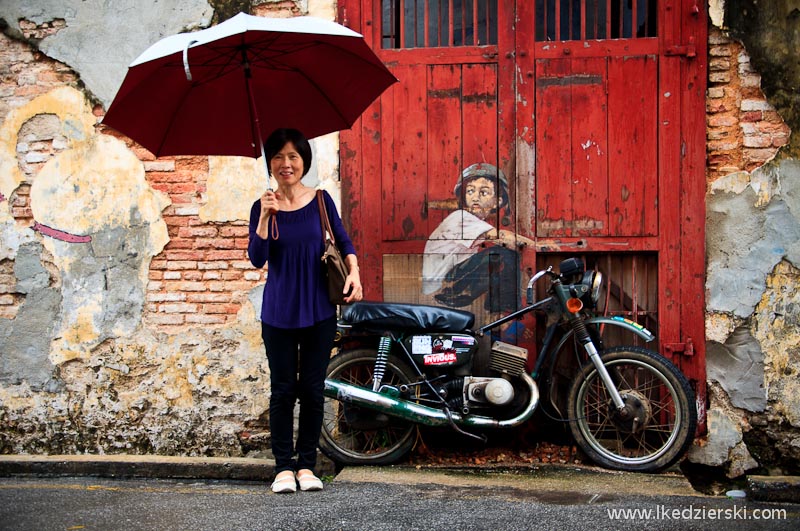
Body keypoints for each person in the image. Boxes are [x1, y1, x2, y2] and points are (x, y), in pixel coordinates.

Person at [248, 128, 362, 494]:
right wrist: (266, 217)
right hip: (279, 311)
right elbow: (257, 259)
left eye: (293, 157)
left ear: (304, 162)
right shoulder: (262, 206)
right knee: (282, 390)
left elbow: (343, 241)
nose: (286, 164)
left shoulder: (321, 201)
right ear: (270, 163)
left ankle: (307, 467)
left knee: (312, 390)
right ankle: (283, 467)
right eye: (278, 157)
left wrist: (355, 273)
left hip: (318, 309)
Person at [422, 162, 528, 317]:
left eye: (483, 193)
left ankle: (494, 311)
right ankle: (505, 314)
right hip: (443, 284)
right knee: (501, 254)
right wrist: (541, 246)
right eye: (470, 191)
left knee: (495, 261)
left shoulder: (473, 223)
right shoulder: (461, 217)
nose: (475, 197)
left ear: (497, 202)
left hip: (448, 279)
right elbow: (504, 238)